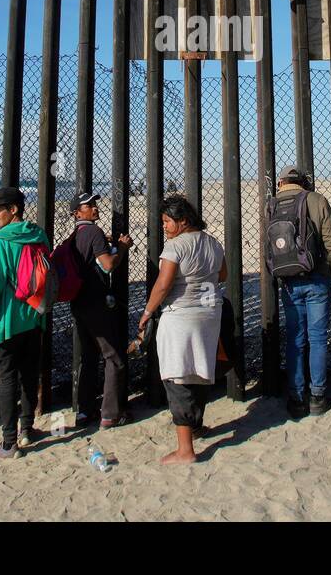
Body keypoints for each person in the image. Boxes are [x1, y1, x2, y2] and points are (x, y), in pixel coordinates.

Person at [138, 194, 225, 464]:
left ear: (182, 221)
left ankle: (185, 450)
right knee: (200, 370)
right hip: (210, 313)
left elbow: (163, 285)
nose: (164, 226)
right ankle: (197, 425)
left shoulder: (176, 246)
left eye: (167, 221)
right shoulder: (213, 242)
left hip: (181, 317)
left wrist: (147, 311)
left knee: (177, 378)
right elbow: (222, 275)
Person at [268, 166, 331, 419]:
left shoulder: (272, 205)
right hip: (317, 278)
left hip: (288, 281)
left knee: (295, 338)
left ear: (281, 182)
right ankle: (317, 396)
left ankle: (296, 397)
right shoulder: (316, 200)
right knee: (317, 338)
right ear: (303, 182)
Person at [0, 187, 49, 459]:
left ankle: (9, 443)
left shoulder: (1, 241)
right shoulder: (39, 235)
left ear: (14, 209)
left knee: (7, 380)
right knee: (29, 376)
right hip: (33, 318)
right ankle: (27, 428)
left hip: (6, 323)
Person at [67, 190, 134, 428]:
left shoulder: (76, 234)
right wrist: (122, 248)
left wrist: (108, 245)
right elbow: (107, 266)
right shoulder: (94, 232)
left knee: (88, 357)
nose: (95, 207)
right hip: (97, 303)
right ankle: (110, 414)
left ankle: (84, 411)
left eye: (94, 203)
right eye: (88, 205)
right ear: (77, 212)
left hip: (79, 304)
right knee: (114, 357)